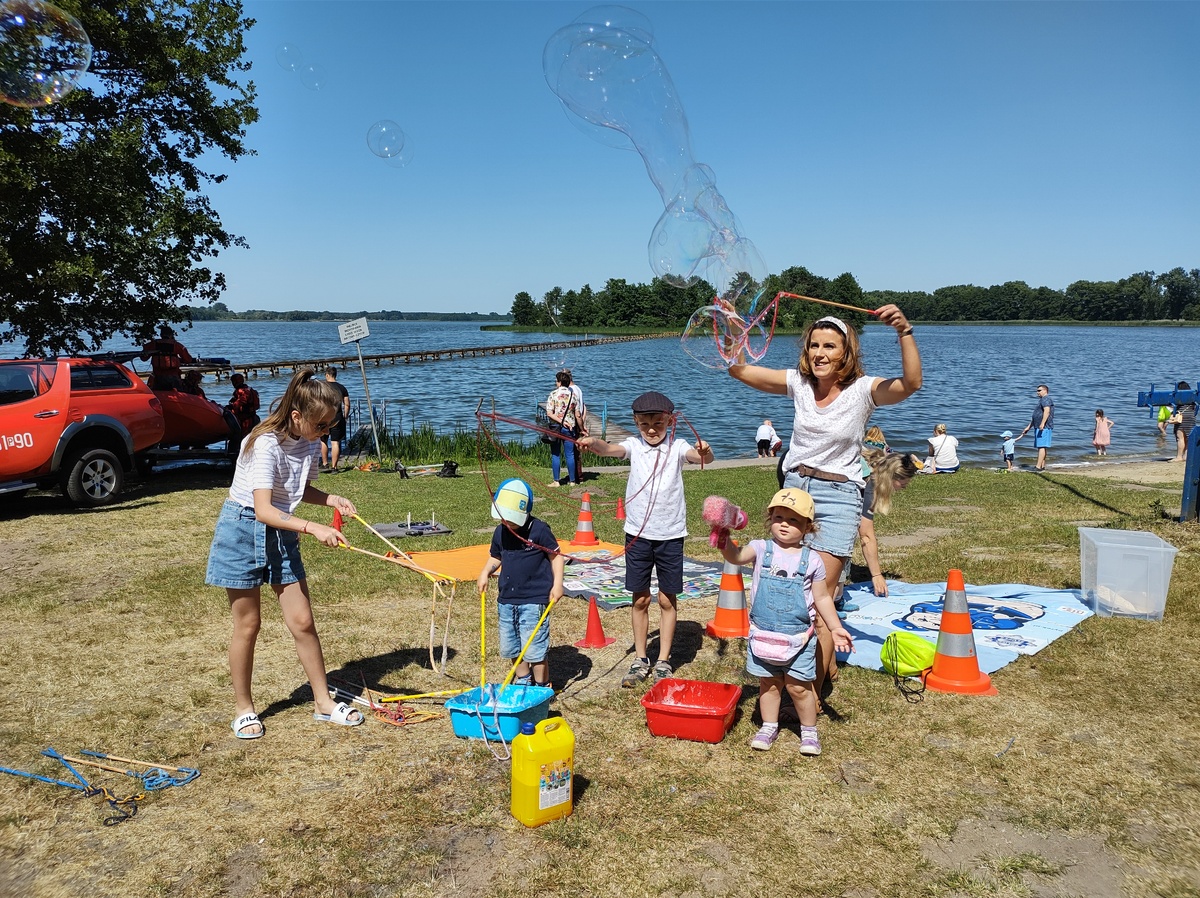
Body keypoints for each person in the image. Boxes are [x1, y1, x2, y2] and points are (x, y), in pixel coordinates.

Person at [728, 306, 921, 693]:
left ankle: (809, 693)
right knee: (789, 591)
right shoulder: (798, 384)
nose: (819, 353)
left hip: (838, 497)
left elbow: (911, 383)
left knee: (819, 599)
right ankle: (813, 671)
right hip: (795, 491)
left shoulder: (863, 390)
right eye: (814, 345)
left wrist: (904, 331)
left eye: (829, 346)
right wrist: (737, 330)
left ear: (845, 352)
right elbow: (740, 370)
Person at [203, 369, 364, 740]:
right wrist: (314, 527)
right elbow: (263, 509)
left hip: (281, 530)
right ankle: (244, 709)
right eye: (321, 425)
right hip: (242, 529)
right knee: (248, 624)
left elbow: (296, 490)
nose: (325, 433)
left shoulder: (307, 444)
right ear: (297, 417)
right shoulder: (265, 444)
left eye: (330, 426)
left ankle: (323, 702)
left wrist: (330, 500)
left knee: (303, 621)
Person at [578, 390, 713, 686]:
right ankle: (641, 658)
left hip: (671, 535)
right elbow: (608, 449)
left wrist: (705, 451)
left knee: (667, 599)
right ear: (636, 423)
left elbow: (698, 456)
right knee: (640, 599)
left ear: (669, 421)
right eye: (644, 424)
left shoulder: (677, 446)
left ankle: (663, 660)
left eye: (658, 423)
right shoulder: (633, 446)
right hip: (638, 536)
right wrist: (592, 443)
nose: (651, 430)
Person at [720, 488, 852, 755]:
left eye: (794, 521)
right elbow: (735, 557)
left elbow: (823, 598)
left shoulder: (812, 560)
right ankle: (769, 725)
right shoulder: (760, 548)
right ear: (770, 519)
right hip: (764, 635)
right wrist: (723, 537)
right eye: (779, 517)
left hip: (798, 639)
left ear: (807, 527)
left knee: (798, 687)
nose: (784, 524)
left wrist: (836, 628)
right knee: (768, 685)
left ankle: (809, 731)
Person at [476, 478, 565, 689]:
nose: (508, 524)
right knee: (512, 646)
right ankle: (523, 679)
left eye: (513, 521)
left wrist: (558, 584)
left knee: (534, 647)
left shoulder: (540, 530)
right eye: (504, 520)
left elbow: (556, 556)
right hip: (506, 599)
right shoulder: (500, 532)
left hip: (534, 599)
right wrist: (485, 572)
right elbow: (496, 556)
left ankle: (542, 685)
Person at [856, 451, 921, 597]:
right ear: (890, 477)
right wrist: (877, 575)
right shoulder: (869, 489)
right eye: (903, 484)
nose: (903, 488)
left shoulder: (873, 476)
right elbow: (866, 536)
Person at [546, 370, 581, 487]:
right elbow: (578, 415)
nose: (556, 383)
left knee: (556, 454)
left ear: (560, 382)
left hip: (556, 427)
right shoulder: (573, 395)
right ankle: (572, 481)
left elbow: (549, 413)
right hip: (570, 428)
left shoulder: (553, 394)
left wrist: (561, 421)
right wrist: (582, 428)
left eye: (556, 381)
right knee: (570, 454)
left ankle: (556, 481)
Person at [140, 324, 195, 391]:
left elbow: (143, 358)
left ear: (161, 335)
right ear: (171, 335)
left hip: (157, 378)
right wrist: (178, 360)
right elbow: (188, 360)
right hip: (173, 378)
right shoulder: (176, 345)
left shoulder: (153, 344)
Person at [319, 367, 351, 471]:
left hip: (324, 417)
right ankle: (334, 467)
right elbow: (347, 404)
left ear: (327, 375)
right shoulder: (342, 388)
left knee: (323, 440)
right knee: (335, 442)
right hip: (337, 417)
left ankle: (324, 464)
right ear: (335, 375)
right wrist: (345, 416)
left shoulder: (322, 387)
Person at [1018, 384, 1054, 471]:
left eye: (1039, 390)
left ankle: (1038, 467)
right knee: (1041, 446)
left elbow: (1047, 411)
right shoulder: (1042, 400)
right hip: (1038, 426)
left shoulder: (1046, 399)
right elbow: (1036, 416)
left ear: (1045, 391)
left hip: (1044, 427)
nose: (1037, 392)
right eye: (1037, 391)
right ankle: (1042, 466)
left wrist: (1042, 423)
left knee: (1041, 446)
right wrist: (1028, 427)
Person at [563, 369, 588, 483]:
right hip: (579, 421)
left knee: (573, 451)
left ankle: (577, 476)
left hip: (573, 423)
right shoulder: (578, 389)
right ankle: (578, 475)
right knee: (576, 450)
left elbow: (575, 410)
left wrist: (579, 424)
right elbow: (584, 406)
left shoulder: (571, 391)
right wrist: (583, 419)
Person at [225, 373, 261, 437]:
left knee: (243, 437)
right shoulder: (248, 389)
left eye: (233, 381)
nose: (232, 384)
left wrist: (231, 406)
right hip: (251, 417)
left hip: (246, 420)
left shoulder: (242, 391)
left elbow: (241, 401)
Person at [1170, 382, 1196, 462]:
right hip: (1191, 417)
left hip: (1181, 417)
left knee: (1180, 438)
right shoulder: (1193, 397)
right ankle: (1186, 456)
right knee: (1189, 438)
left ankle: (1179, 456)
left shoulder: (1178, 396)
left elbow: (1172, 405)